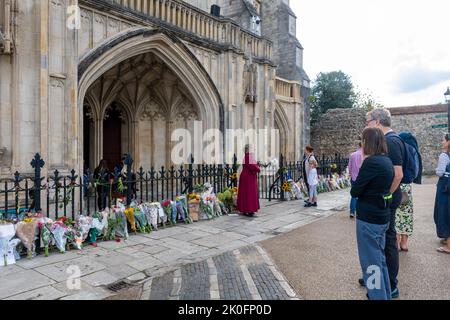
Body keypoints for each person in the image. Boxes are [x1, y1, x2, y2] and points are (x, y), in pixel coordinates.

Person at [351, 127, 394, 300]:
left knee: (371, 264)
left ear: (368, 142)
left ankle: (377, 296)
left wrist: (362, 164)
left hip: (369, 219)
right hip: (381, 217)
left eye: (363, 141)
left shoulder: (371, 163)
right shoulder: (386, 161)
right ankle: (385, 295)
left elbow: (355, 191)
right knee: (380, 261)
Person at [365, 108, 404, 299]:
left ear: (378, 122)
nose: (367, 125)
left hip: (387, 200)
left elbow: (398, 174)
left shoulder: (391, 141)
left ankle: (391, 283)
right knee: (381, 241)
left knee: (387, 241)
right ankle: (378, 277)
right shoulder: (389, 140)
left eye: (368, 121)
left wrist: (385, 195)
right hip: (386, 199)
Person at [434, 133, 450, 254]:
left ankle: (448, 244)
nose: (442, 142)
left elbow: (440, 172)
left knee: (443, 213)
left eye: (443, 140)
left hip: (444, 187)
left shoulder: (444, 156)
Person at [237, 144, 261, 217]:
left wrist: (257, 165)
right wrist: (258, 168)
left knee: (245, 193)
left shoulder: (246, 156)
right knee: (249, 194)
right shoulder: (249, 156)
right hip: (249, 177)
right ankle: (250, 210)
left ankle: (245, 210)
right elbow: (253, 166)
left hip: (246, 176)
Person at [348, 142, 363, 218]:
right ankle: (359, 211)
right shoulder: (365, 155)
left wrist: (351, 173)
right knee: (362, 196)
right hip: (362, 178)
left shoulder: (352, 155)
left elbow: (349, 167)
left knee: (353, 195)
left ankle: (352, 211)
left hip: (354, 177)